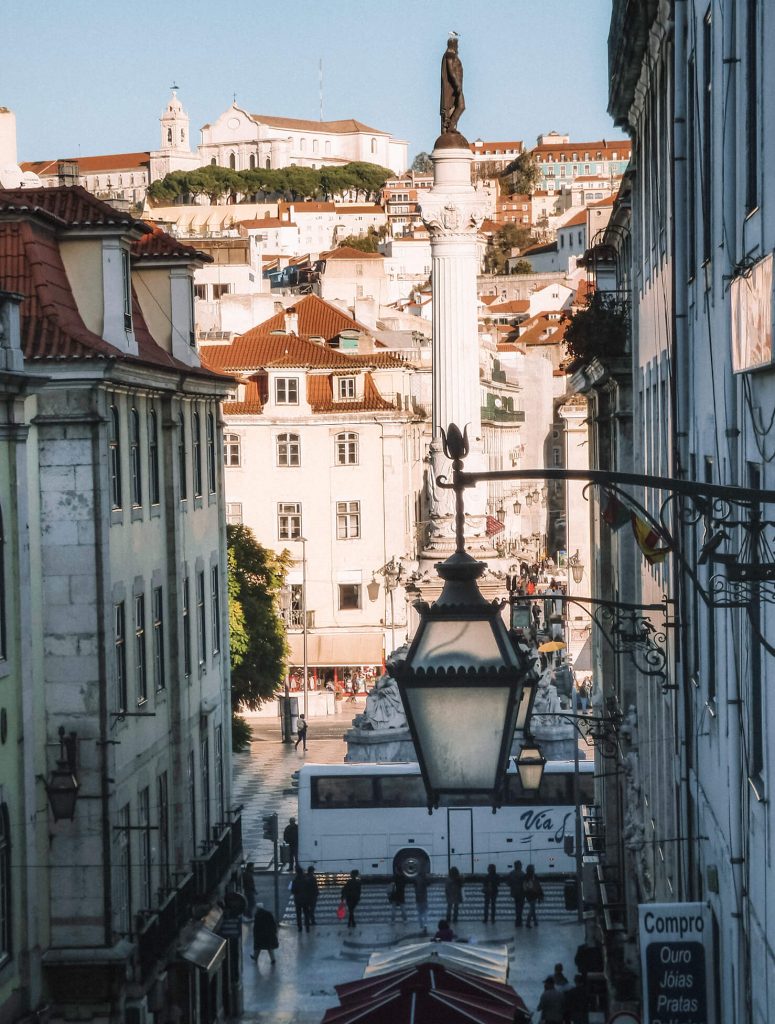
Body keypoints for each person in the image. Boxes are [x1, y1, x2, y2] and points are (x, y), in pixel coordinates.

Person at [440, 34, 465, 134]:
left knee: (460, 106)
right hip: (452, 88)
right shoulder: (450, 54)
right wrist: (457, 85)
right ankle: (450, 126)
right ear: (453, 45)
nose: (457, 47)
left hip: (456, 87)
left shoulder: (451, 54)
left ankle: (451, 126)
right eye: (456, 45)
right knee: (461, 105)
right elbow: (450, 71)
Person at [291, 865, 312, 933]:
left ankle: (300, 927)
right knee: (306, 914)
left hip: (298, 900)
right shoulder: (306, 879)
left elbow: (293, 890)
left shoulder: (295, 880)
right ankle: (307, 927)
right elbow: (309, 889)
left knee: (298, 914)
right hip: (305, 899)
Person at [505, 859, 525, 927]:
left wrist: (513, 885)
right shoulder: (522, 874)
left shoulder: (511, 873)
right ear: (519, 866)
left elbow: (507, 883)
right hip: (521, 893)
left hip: (514, 893)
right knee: (520, 907)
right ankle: (519, 920)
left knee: (517, 907)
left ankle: (517, 920)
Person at [524, 864, 543, 928]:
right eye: (533, 868)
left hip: (529, 894)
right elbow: (538, 886)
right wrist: (540, 894)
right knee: (532, 909)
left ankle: (535, 921)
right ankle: (528, 922)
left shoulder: (526, 877)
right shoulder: (534, 877)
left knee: (533, 908)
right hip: (533, 894)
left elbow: (525, 886)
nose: (534, 869)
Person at [413, 869, 430, 935]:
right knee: (425, 912)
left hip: (418, 898)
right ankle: (425, 926)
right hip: (424, 898)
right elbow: (429, 884)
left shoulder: (416, 879)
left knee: (419, 913)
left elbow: (414, 886)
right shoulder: (424, 879)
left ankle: (421, 925)